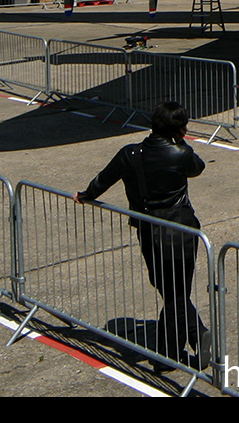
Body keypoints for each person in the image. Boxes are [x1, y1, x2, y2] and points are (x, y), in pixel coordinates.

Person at [76, 102, 211, 368]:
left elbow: (103, 180)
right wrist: (182, 142)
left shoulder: (130, 154)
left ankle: (172, 352)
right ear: (179, 128)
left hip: (149, 230)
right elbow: (198, 167)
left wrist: (85, 195)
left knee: (169, 290)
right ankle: (190, 342)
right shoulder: (181, 153)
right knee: (175, 293)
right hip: (181, 231)